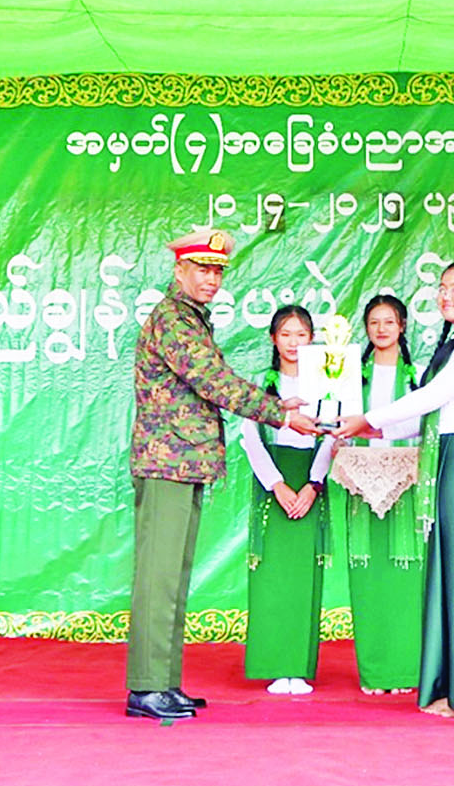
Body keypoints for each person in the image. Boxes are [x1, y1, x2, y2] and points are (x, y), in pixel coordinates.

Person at [127, 228, 318, 721]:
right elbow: (214, 382)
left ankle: (163, 683)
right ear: (179, 270)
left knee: (173, 578)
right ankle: (147, 686)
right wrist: (278, 412)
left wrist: (277, 410)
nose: (212, 279)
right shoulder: (173, 320)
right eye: (202, 269)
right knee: (159, 579)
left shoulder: (190, 318)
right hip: (167, 462)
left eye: (217, 271)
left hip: (182, 461)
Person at [334, 262, 454, 716]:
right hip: (447, 454)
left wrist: (369, 419)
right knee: (450, 570)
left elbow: (433, 397)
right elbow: (431, 414)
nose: (446, 296)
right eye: (442, 288)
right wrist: (373, 430)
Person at [240, 306, 333, 695]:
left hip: (310, 483)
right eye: (286, 334)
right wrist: (277, 486)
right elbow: (250, 439)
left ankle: (299, 666)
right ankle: (275, 665)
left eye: (301, 334)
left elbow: (333, 435)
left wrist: (313, 484)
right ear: (273, 339)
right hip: (274, 486)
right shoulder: (262, 386)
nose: (294, 342)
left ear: (311, 339)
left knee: (303, 577)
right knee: (272, 577)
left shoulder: (328, 384)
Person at [341, 294, 424, 695]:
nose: (381, 329)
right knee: (368, 576)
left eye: (389, 321)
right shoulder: (350, 375)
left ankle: (406, 671)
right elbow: (338, 419)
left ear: (402, 326)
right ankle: (374, 673)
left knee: (405, 575)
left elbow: (426, 423)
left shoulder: (418, 375)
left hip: (406, 484)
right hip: (361, 483)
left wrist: (381, 432)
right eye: (374, 322)